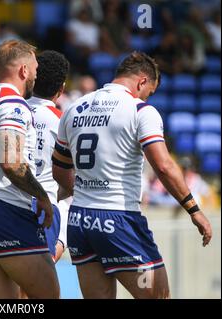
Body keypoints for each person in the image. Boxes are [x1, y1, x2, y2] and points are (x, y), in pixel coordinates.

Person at [52, 51, 213, 299]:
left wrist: (86, 191)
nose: (148, 97)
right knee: (158, 296)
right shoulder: (140, 110)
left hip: (80, 221)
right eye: (150, 91)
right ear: (141, 81)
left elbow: (60, 169)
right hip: (118, 221)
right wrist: (194, 210)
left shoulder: (74, 109)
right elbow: (163, 166)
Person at [0, 39, 60, 299]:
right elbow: (12, 162)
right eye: (35, 70)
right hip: (5, 211)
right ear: (23, 70)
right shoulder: (12, 104)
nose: (36, 76)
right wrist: (41, 196)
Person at [27, 50, 70, 263]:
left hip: (6, 204)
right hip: (45, 208)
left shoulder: (11, 110)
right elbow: (71, 178)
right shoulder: (62, 120)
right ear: (61, 89)